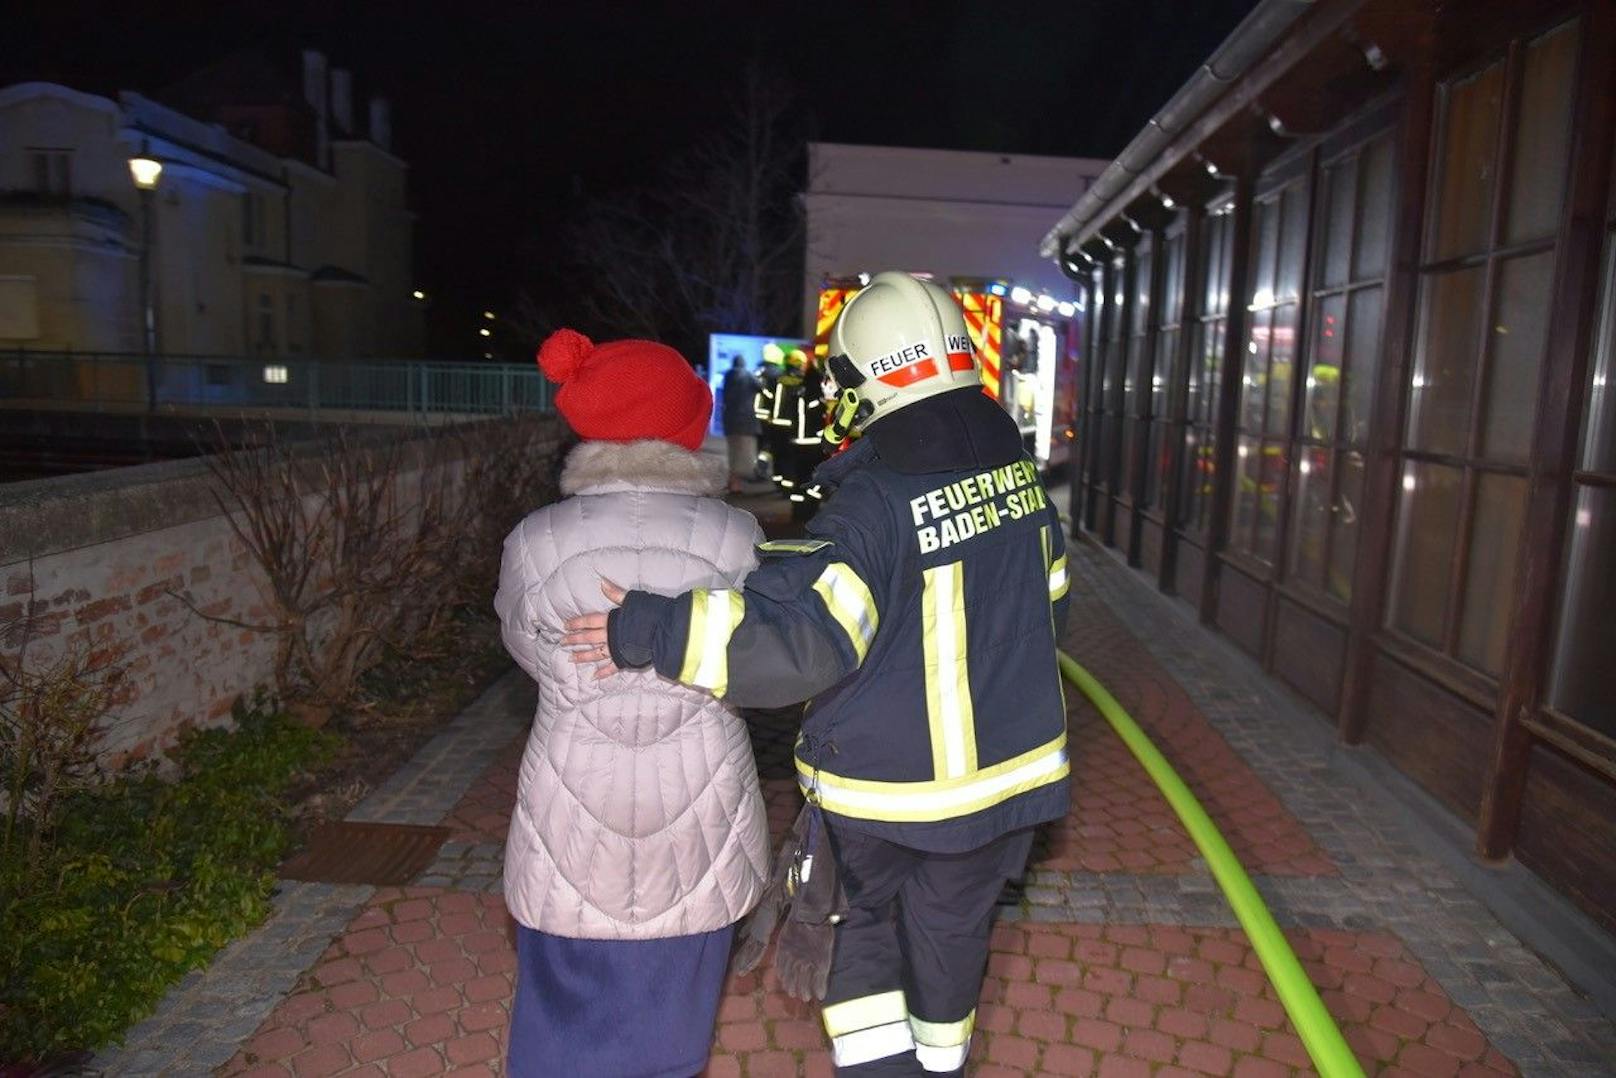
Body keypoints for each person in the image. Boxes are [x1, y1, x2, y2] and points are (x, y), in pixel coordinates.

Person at [563, 272, 1073, 1077]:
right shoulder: (1016, 477)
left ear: (867, 378)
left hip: (891, 793)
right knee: (951, 943)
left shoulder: (874, 502)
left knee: (861, 931)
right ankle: (942, 1065)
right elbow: (1048, 606)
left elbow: (797, 643)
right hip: (1008, 788)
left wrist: (648, 627)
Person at [495, 328, 770, 1078]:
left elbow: (526, 647)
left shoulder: (534, 540)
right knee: (675, 1024)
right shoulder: (740, 536)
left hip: (572, 801)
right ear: (685, 429)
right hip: (702, 802)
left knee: (559, 1011)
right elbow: (757, 661)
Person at [721, 353, 763, 492]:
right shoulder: (748, 376)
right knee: (743, 454)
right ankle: (736, 483)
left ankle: (732, 481)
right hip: (746, 420)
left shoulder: (728, 375)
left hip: (730, 419)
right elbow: (761, 388)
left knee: (733, 452)